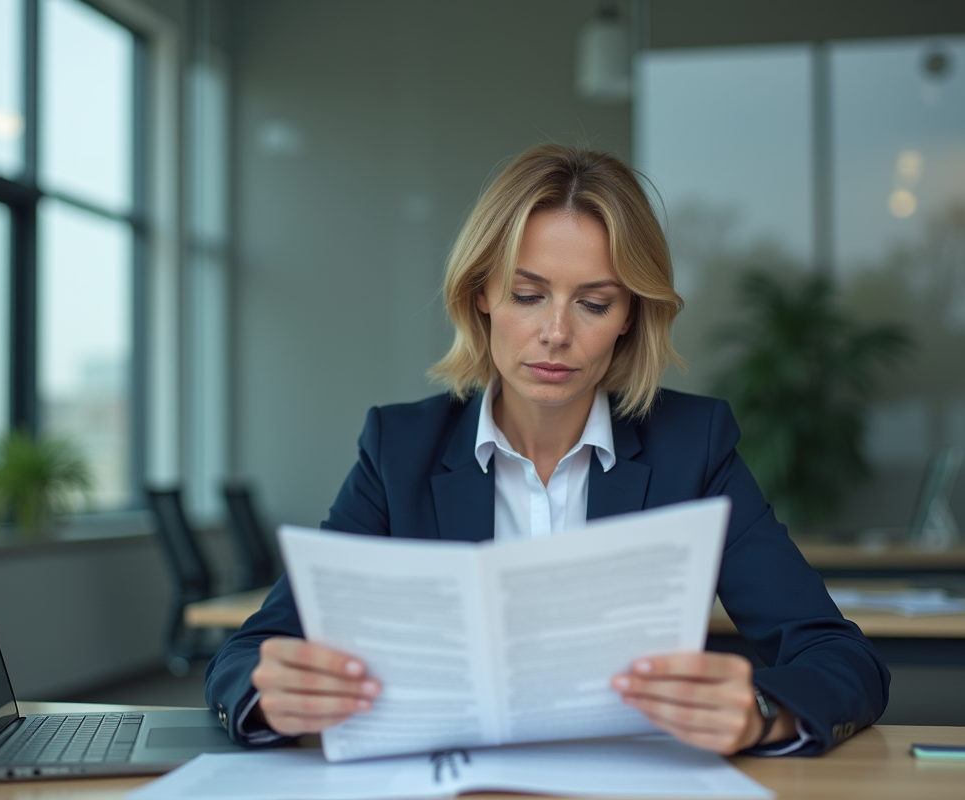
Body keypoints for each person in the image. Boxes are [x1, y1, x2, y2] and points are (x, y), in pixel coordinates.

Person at [205, 144, 889, 756]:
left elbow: (840, 658)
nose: (555, 333)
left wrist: (761, 712)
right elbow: (243, 656)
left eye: (594, 303)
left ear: (629, 318)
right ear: (482, 294)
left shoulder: (693, 449)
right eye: (528, 295)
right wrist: (272, 696)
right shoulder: (399, 450)